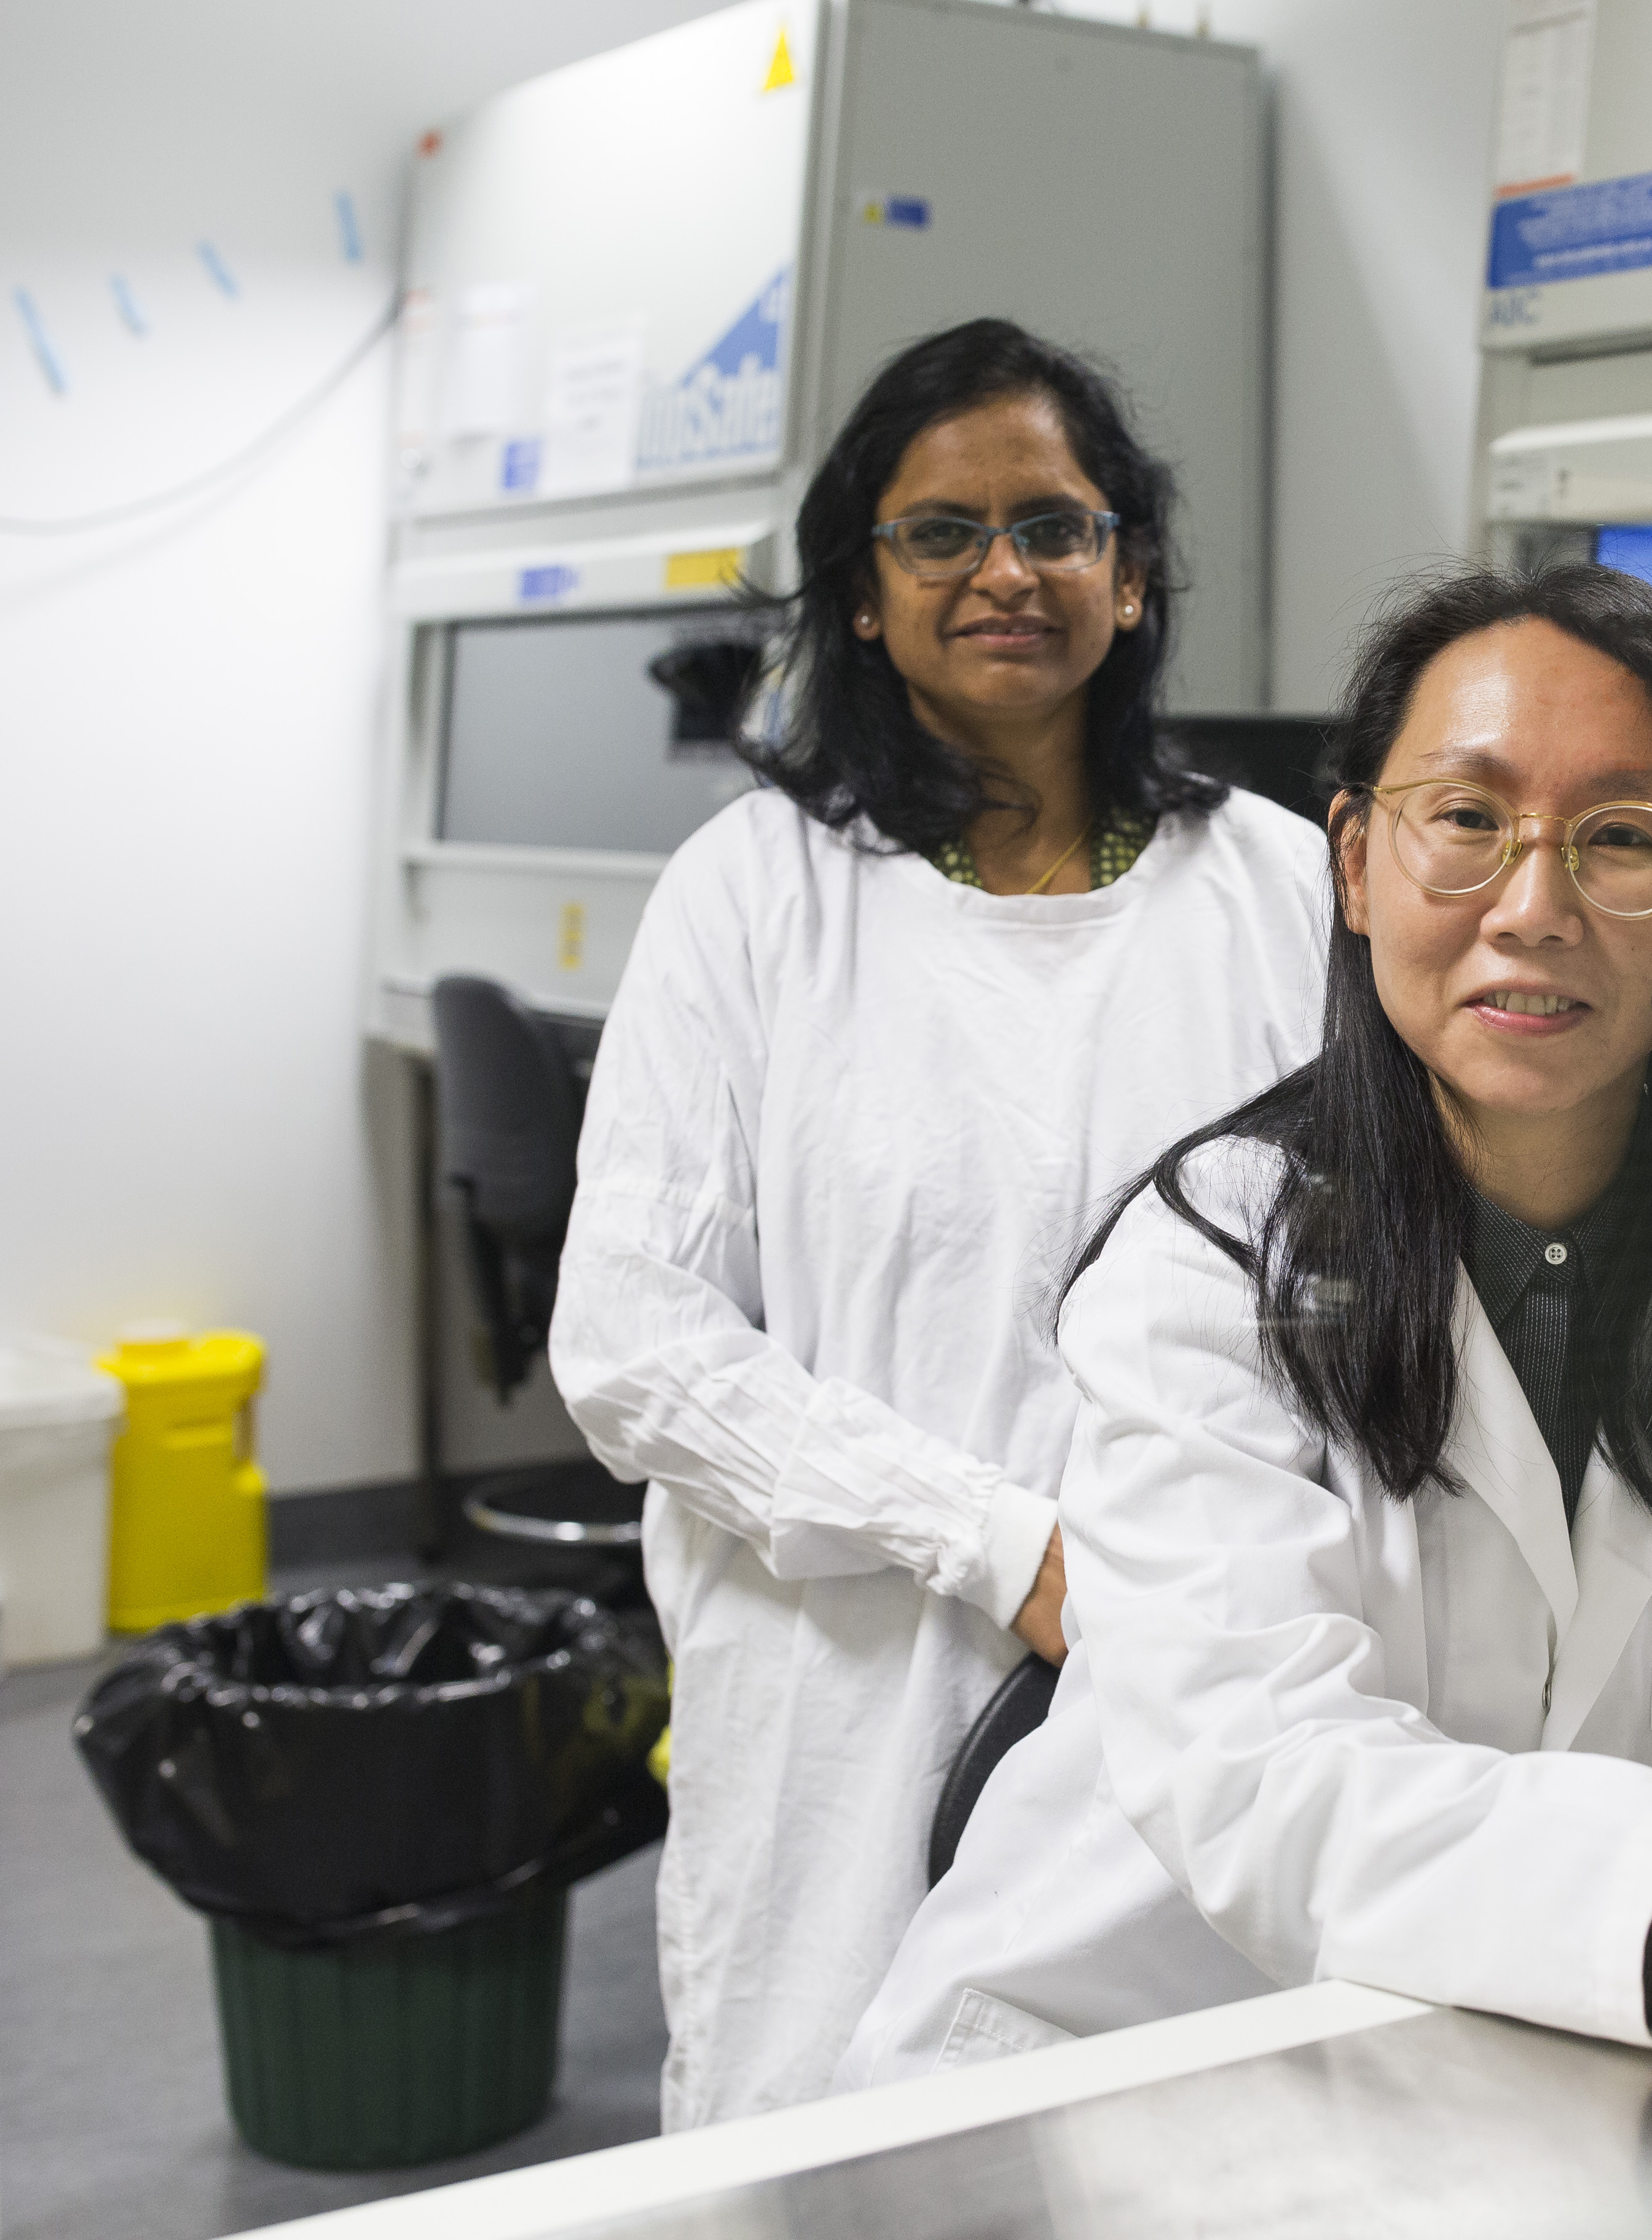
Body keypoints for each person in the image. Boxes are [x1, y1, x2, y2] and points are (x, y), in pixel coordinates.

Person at [840, 562, 1652, 2102]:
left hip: (1503, 2088)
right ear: (1356, 864)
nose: (1533, 911)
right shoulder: (1212, 1266)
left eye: (1621, 841)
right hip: (1104, 2086)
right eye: (1467, 822)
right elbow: (1269, 1784)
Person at [548, 318, 1332, 2128]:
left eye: (1057, 527)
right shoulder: (752, 897)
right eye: (943, 534)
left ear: (1131, 578)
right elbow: (632, 1341)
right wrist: (1001, 1543)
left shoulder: (1282, 889)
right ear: (864, 591)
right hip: (849, 1693)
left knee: (1171, 2150)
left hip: (1203, 1680)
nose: (1007, 572)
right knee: (820, 2152)